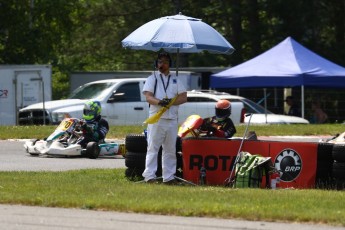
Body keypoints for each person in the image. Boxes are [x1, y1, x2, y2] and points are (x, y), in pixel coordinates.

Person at [142, 51, 187, 184]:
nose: (162, 64)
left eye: (165, 62)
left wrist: (171, 102)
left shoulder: (176, 79)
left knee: (170, 149)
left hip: (172, 119)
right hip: (157, 119)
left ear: (170, 64)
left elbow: (183, 97)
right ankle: (149, 176)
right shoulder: (152, 78)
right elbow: (148, 97)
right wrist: (160, 102)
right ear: (156, 64)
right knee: (153, 148)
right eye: (160, 62)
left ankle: (169, 177)